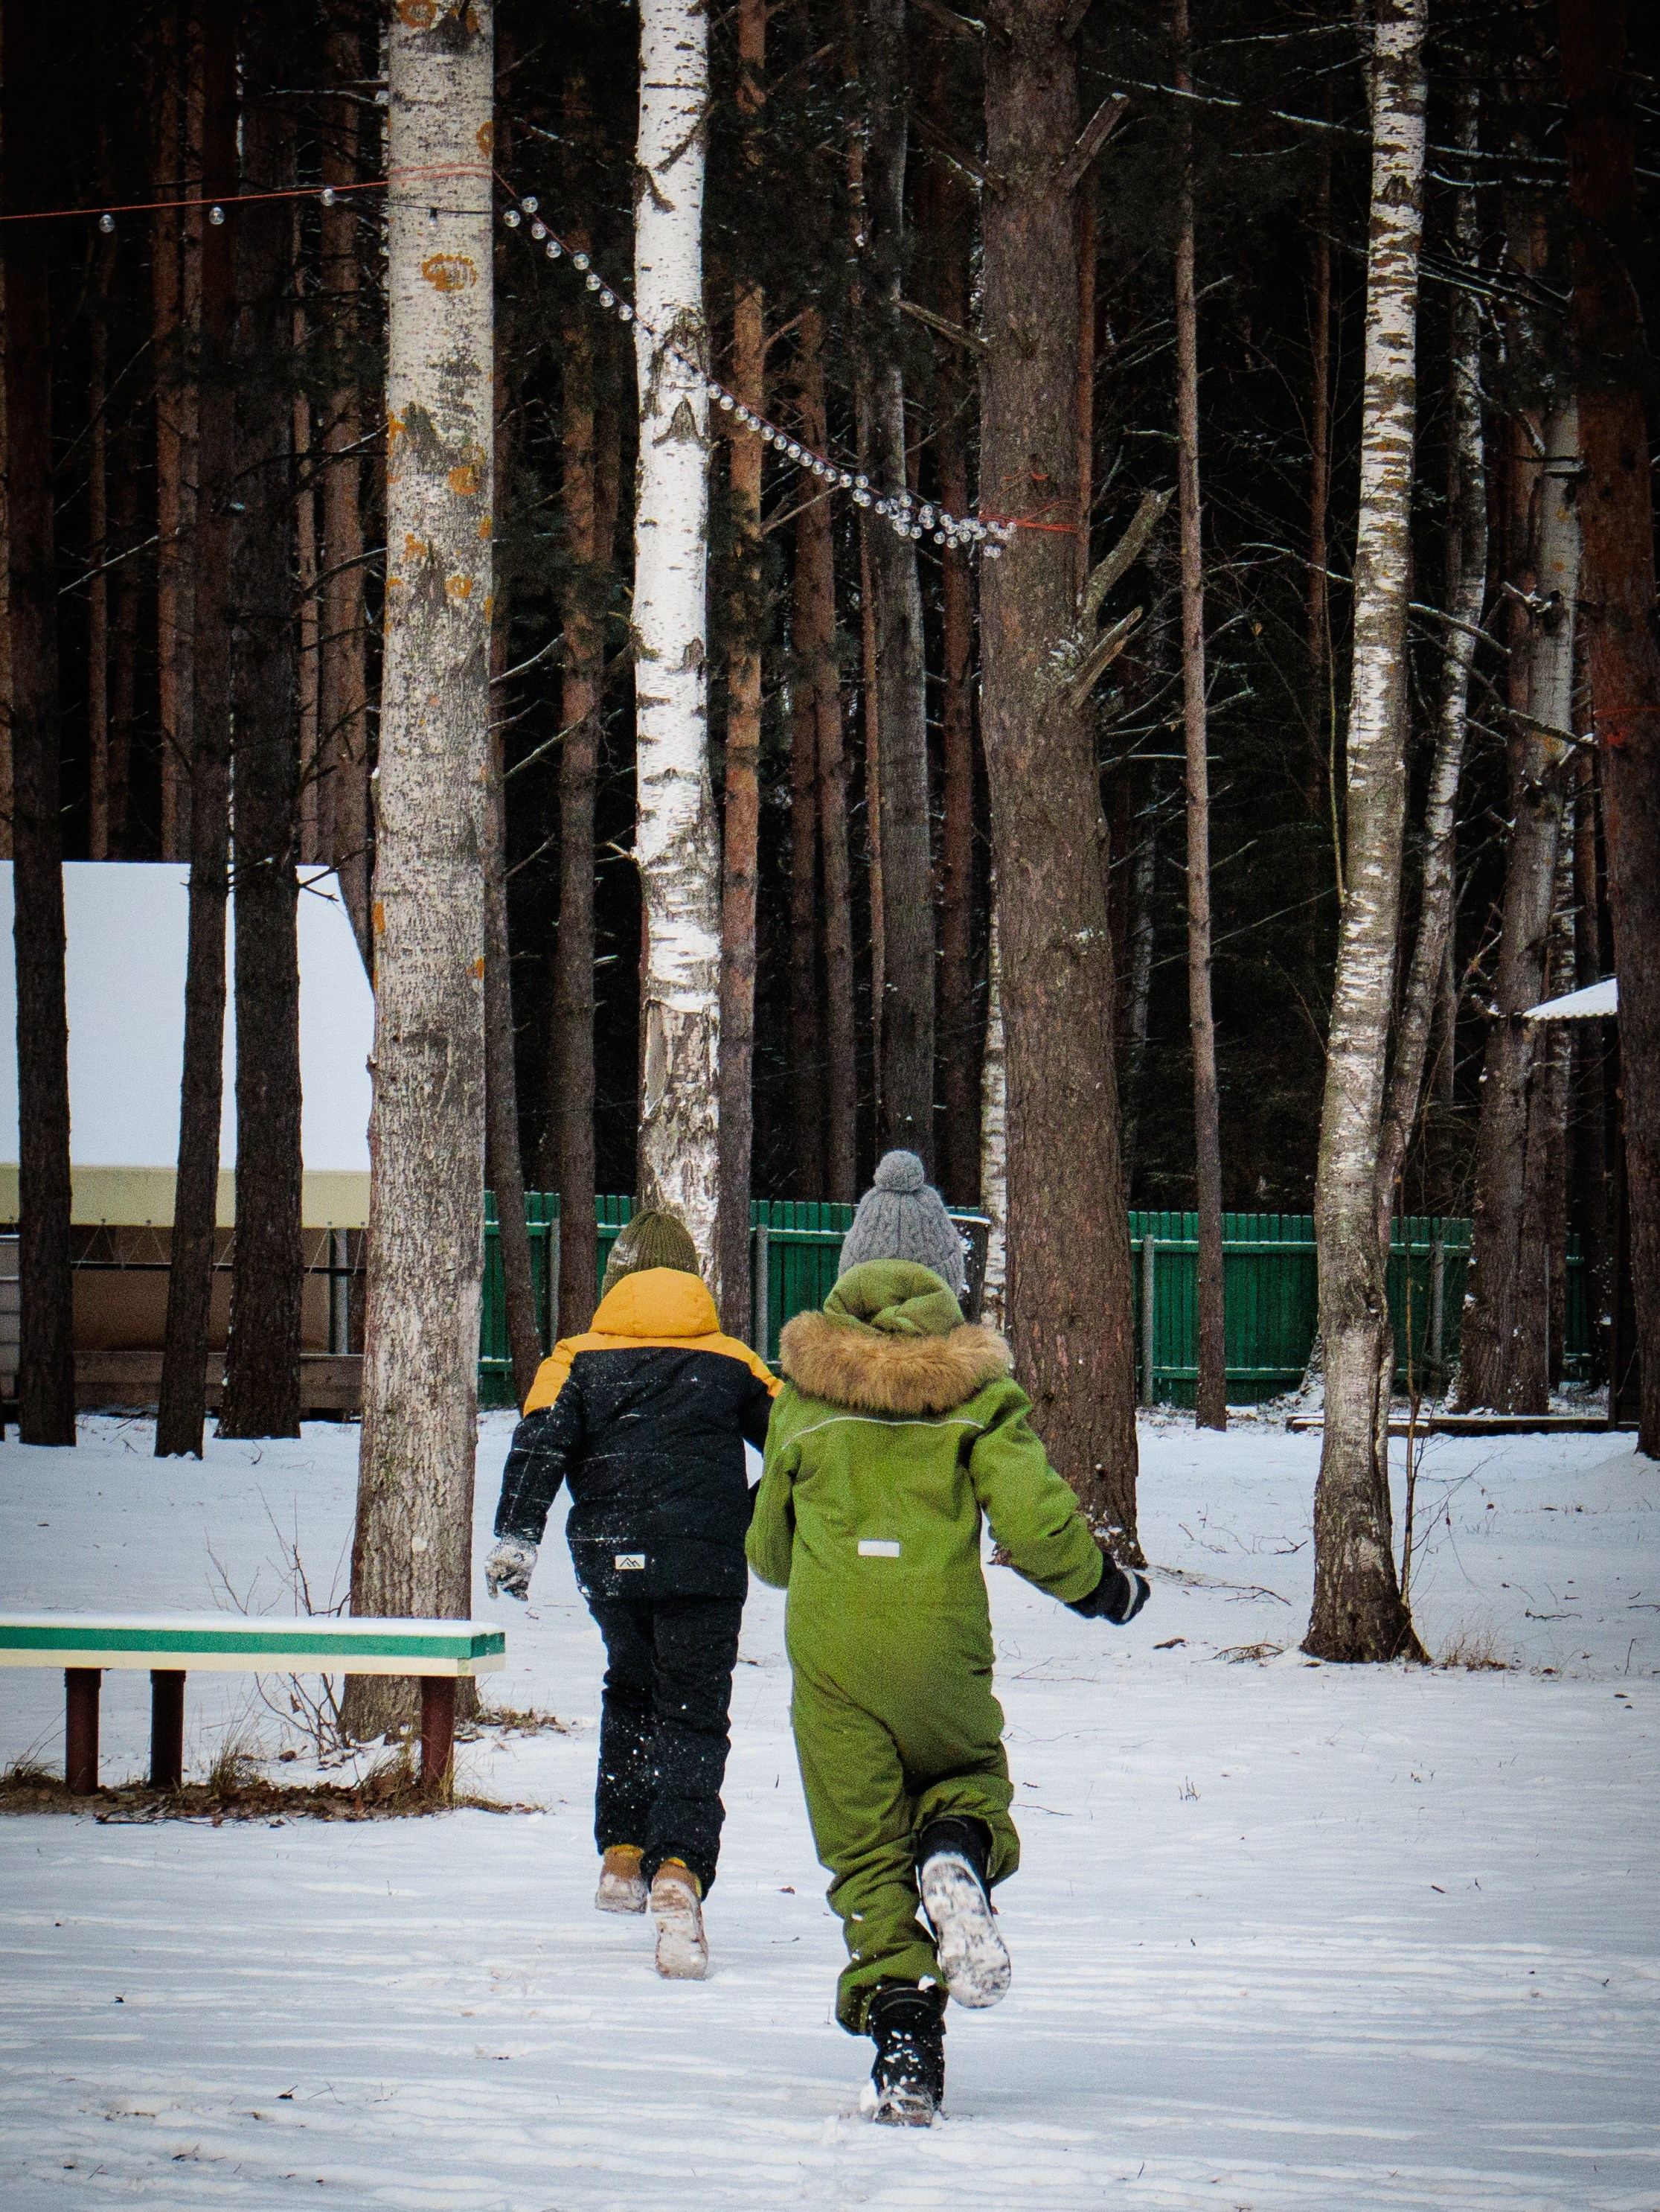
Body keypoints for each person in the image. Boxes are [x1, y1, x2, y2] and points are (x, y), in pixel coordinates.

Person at [747, 1256, 1149, 2126]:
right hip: (939, 1640)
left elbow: (769, 1556)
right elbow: (1032, 1519)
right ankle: (955, 1849)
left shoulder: (802, 1398)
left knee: (863, 1851)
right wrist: (1098, 1586)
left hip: (832, 1653)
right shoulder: (979, 1393)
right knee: (965, 1773)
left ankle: (905, 2048)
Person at [485, 1208, 779, 1981]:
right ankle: (677, 1866)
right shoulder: (733, 1362)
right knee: (692, 1710)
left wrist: (516, 1536)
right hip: (704, 1563)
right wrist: (744, 1516)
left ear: (615, 1282)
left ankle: (621, 1854)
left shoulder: (575, 1359)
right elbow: (797, 1444)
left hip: (611, 1560)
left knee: (631, 1687)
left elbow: (539, 1444)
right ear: (692, 1280)